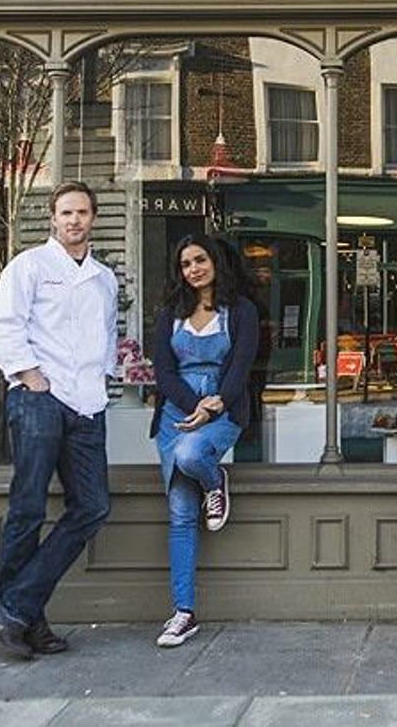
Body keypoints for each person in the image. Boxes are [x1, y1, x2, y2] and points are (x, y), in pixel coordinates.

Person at [0, 181, 118, 659]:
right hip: (39, 398)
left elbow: (107, 334)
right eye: (66, 212)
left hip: (87, 405)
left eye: (82, 212)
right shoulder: (29, 266)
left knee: (93, 506)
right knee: (28, 509)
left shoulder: (104, 278)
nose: (74, 220)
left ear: (93, 217)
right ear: (53, 219)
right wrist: (30, 375)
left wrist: (104, 381)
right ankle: (26, 624)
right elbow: (3, 325)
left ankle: (13, 610)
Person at [149, 234, 258, 648]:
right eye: (186, 264)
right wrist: (193, 405)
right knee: (179, 515)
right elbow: (164, 372)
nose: (193, 269)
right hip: (176, 413)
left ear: (215, 262)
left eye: (200, 260)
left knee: (193, 453)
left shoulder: (240, 311)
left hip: (223, 407)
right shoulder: (170, 315)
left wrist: (214, 405)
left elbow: (242, 363)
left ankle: (215, 483)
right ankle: (183, 612)